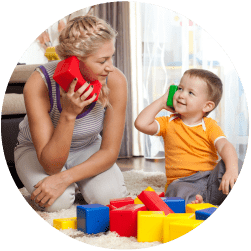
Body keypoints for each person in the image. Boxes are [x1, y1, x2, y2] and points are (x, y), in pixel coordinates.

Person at [14, 15, 128, 212]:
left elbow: (109, 151)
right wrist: (68, 114)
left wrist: (64, 178)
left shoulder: (115, 80)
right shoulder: (39, 83)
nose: (110, 67)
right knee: (57, 203)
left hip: (87, 147)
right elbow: (51, 166)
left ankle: (79, 185)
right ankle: (72, 188)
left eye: (111, 57)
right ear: (74, 61)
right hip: (36, 150)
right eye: (102, 61)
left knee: (110, 200)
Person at [134, 69, 242, 205]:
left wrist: (231, 171)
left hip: (211, 181)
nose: (181, 95)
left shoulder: (209, 125)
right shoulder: (169, 122)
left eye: (190, 93)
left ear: (207, 106)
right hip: (184, 183)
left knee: (235, 163)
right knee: (175, 189)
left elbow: (225, 145)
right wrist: (162, 102)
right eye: (180, 88)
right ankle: (197, 205)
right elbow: (141, 123)